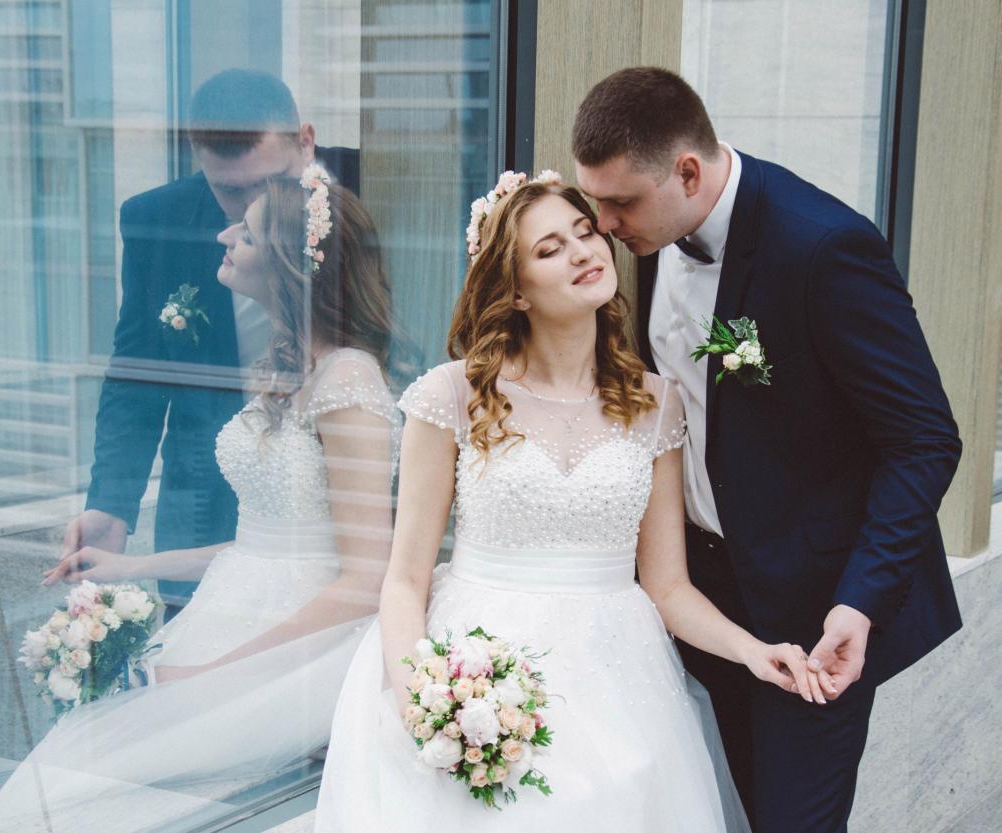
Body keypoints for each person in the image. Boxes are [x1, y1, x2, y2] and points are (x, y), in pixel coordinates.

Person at [313, 171, 814, 831]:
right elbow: (404, 579)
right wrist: (424, 702)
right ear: (515, 289)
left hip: (619, 679)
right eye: (550, 249)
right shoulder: (451, 395)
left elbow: (667, 586)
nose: (583, 252)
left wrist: (752, 650)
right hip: (479, 663)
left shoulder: (656, 403)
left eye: (585, 233)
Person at [571, 66, 962, 833]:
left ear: (687, 172)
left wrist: (860, 599)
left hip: (812, 612)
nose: (604, 226)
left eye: (620, 203)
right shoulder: (651, 233)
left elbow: (924, 437)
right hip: (694, 601)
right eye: (595, 202)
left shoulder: (824, 247)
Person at [0, 168, 397, 833]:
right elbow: (267, 543)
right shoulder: (292, 365)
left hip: (293, 649)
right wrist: (130, 566)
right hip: (233, 612)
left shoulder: (348, 382)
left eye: (246, 233)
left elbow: (368, 578)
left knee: (94, 789)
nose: (225, 235)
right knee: (65, 778)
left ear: (289, 263)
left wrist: (217, 674)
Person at [64, 68, 359, 609]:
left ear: (306, 142)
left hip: (337, 499)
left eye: (271, 183)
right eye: (229, 191)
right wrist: (110, 503)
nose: (248, 212)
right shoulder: (158, 219)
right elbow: (135, 374)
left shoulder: (371, 186)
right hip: (203, 500)